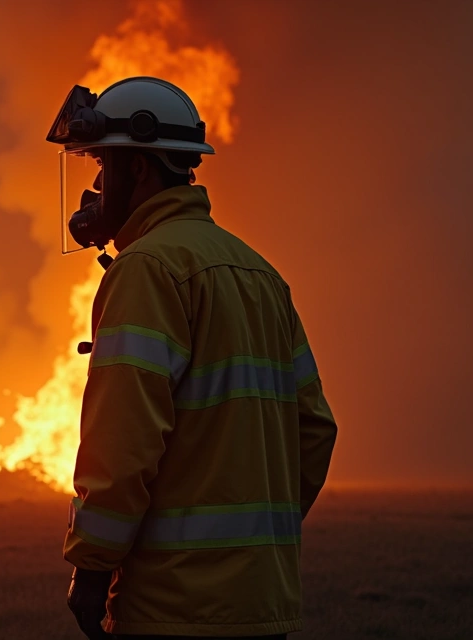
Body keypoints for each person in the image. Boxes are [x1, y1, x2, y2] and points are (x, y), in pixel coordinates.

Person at [45, 77, 338, 639]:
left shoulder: (148, 270)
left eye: (104, 167)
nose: (97, 188)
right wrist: (250, 543)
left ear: (141, 169)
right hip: (263, 602)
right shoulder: (261, 275)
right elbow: (316, 429)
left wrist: (91, 570)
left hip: (173, 607)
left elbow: (123, 442)